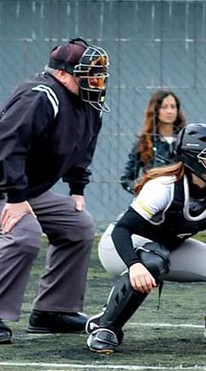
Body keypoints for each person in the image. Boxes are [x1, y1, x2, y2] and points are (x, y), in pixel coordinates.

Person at [85, 123, 206, 354]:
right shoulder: (164, 187)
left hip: (164, 250)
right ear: (195, 160)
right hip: (119, 247)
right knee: (153, 261)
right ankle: (106, 328)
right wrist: (134, 265)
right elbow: (122, 230)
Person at [0, 37, 109, 344]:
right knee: (23, 234)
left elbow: (82, 147)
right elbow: (8, 146)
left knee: (79, 226)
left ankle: (53, 311)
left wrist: (77, 189)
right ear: (62, 73)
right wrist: (16, 199)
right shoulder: (41, 96)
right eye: (88, 73)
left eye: (99, 73)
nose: (96, 80)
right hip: (8, 185)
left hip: (22, 187)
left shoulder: (90, 102)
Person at [120, 90, 186, 194]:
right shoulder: (145, 142)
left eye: (173, 107)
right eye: (164, 107)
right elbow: (127, 179)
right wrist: (144, 190)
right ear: (155, 110)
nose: (170, 111)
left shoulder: (185, 141)